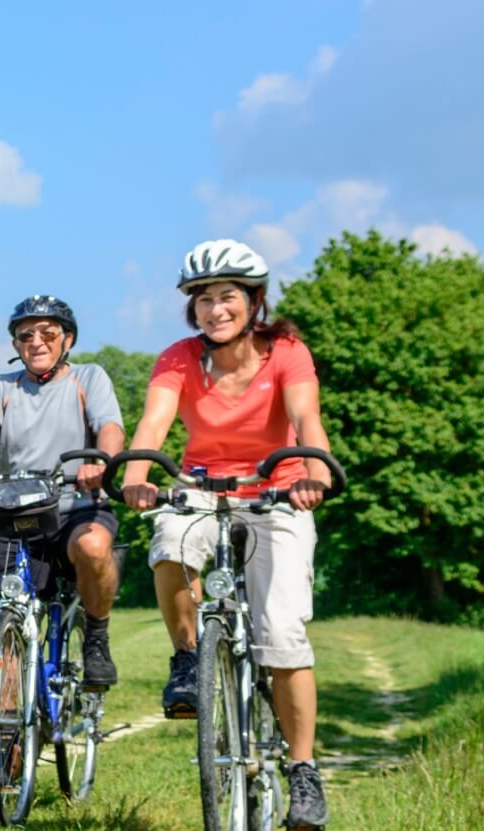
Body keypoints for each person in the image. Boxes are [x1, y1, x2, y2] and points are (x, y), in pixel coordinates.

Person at [118, 239, 336, 829]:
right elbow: (153, 424)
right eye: (204, 299)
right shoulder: (178, 359)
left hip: (276, 493)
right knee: (168, 544)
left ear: (253, 301)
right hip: (201, 488)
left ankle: (303, 770)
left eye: (228, 297)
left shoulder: (286, 352)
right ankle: (188, 658)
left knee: (282, 633)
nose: (215, 309)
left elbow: (307, 417)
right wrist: (137, 477)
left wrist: (314, 471)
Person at [0, 295, 125, 687]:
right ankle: (6, 730)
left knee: (93, 548)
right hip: (18, 514)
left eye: (48, 333)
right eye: (26, 335)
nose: (36, 342)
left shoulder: (88, 378)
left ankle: (96, 637)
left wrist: (102, 462)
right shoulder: (2, 387)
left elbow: (110, 427)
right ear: (15, 346)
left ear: (67, 340)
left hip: (78, 505)